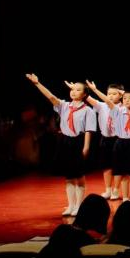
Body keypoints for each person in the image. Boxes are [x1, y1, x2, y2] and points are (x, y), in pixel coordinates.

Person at [26, 74, 95, 217]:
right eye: (73, 89)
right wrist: (37, 83)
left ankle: (79, 206)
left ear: (84, 94)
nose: (74, 92)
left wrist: (86, 147)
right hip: (64, 141)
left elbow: (89, 130)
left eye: (78, 90)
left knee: (78, 175)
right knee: (69, 176)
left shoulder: (88, 110)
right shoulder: (64, 106)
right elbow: (50, 97)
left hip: (78, 141)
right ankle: (71, 205)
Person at [85, 81, 124, 200]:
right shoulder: (102, 105)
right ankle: (108, 190)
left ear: (121, 95)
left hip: (119, 139)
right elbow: (87, 98)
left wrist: (95, 90)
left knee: (118, 166)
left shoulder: (124, 107)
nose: (110, 96)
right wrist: (81, 89)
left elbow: (110, 102)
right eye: (109, 93)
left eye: (114, 94)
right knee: (106, 166)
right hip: (105, 139)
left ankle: (116, 190)